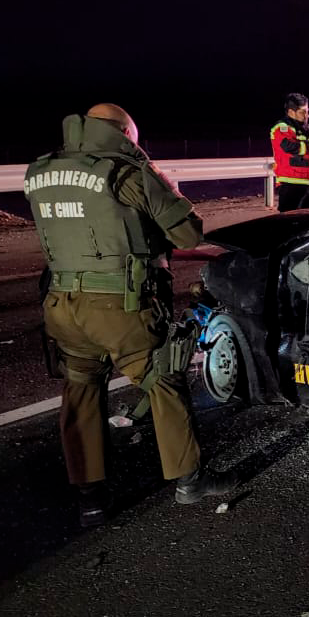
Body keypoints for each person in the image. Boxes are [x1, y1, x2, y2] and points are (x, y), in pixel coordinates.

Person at [25, 104, 236, 526]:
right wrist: (161, 182)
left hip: (62, 305)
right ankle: (189, 482)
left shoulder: (40, 171)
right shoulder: (124, 172)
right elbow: (188, 232)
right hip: (119, 307)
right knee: (163, 378)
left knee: (81, 391)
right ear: (124, 133)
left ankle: (91, 502)